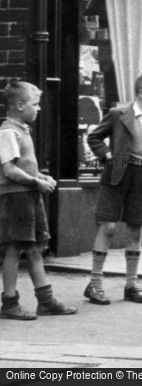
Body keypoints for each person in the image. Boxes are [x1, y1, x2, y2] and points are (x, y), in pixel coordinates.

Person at [84, 71, 142, 305]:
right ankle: (95, 284)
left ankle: (131, 284)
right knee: (108, 226)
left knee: (135, 228)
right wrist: (108, 155)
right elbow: (94, 138)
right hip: (118, 174)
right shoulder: (118, 114)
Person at [0, 79, 77, 319]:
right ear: (20, 105)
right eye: (36, 103)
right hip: (15, 198)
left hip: (28, 196)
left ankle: (46, 300)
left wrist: (41, 176)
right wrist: (36, 182)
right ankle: (10, 302)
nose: (39, 108)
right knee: (13, 248)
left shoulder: (22, 130)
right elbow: (9, 170)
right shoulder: (8, 132)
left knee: (34, 248)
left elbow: (22, 166)